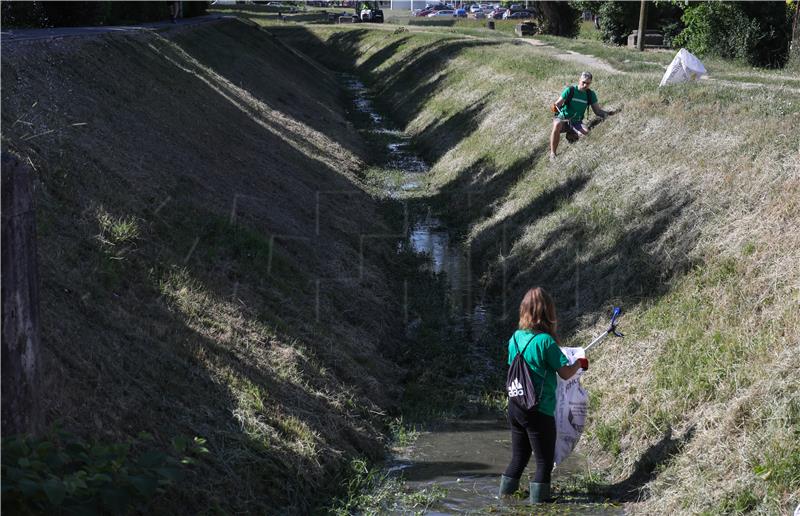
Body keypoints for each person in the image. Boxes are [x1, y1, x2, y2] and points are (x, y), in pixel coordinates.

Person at [498, 287, 588, 503]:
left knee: (518, 458)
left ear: (524, 311)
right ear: (548, 313)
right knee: (544, 463)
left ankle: (503, 499)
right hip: (538, 410)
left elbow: (517, 366)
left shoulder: (515, 338)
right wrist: (580, 363)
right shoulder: (546, 342)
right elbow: (566, 374)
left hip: (516, 406)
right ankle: (539, 507)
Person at [549, 71, 608, 161]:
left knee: (586, 133)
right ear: (579, 80)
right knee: (557, 124)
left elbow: (597, 111)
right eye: (583, 82)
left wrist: (609, 114)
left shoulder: (590, 94)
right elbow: (557, 104)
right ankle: (553, 154)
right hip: (563, 119)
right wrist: (554, 106)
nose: (585, 85)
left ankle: (571, 135)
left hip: (577, 121)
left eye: (588, 83)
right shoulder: (570, 90)